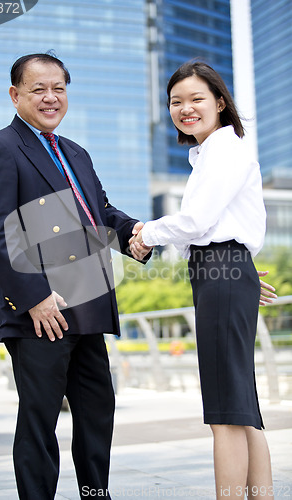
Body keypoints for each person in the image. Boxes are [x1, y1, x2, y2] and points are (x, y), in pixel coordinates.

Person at [0, 52, 151, 500]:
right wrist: (33, 296)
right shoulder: (1, 148)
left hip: (87, 299)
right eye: (38, 89)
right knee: (40, 416)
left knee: (96, 410)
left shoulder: (76, 152)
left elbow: (99, 212)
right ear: (15, 96)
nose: (51, 98)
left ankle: (94, 493)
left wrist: (135, 234)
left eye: (59, 89)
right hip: (39, 310)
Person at [130, 61, 275, 499]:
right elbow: (218, 229)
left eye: (196, 99)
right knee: (240, 405)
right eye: (176, 101)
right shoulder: (212, 154)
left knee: (225, 411)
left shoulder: (224, 151)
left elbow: (197, 221)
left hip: (222, 274)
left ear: (220, 102)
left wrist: (145, 233)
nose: (185, 108)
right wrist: (241, 273)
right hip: (224, 273)